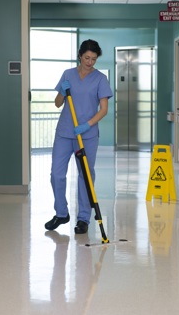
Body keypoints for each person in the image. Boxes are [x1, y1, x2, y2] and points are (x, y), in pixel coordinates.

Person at [45, 39, 113, 234]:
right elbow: (58, 103)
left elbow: (104, 109)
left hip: (88, 134)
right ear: (80, 55)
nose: (90, 62)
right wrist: (63, 92)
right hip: (65, 132)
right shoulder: (68, 74)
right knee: (56, 174)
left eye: (94, 59)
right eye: (86, 58)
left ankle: (83, 218)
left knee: (85, 176)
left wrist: (87, 125)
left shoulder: (100, 79)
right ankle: (61, 213)